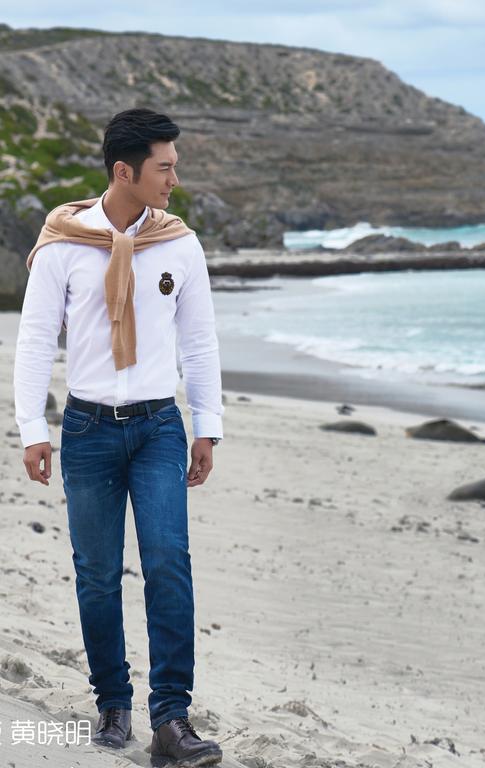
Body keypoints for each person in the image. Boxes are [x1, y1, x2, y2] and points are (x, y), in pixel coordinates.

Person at [13, 108, 224, 766]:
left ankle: (171, 720)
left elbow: (200, 341)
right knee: (98, 577)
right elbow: (35, 341)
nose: (173, 178)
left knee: (168, 566)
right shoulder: (62, 241)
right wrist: (32, 430)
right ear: (124, 171)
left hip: (160, 426)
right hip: (88, 430)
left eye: (175, 165)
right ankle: (112, 705)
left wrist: (207, 427)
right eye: (164, 167)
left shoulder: (180, 243)